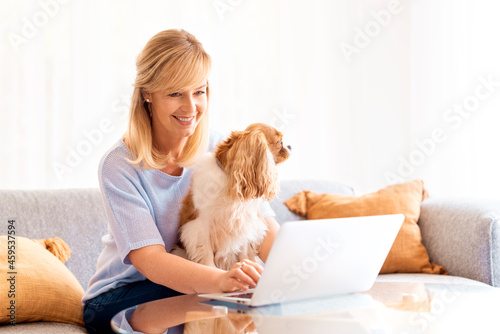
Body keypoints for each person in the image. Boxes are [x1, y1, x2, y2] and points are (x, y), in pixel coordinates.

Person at [81, 29, 280, 334]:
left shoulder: (221, 149)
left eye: (198, 91)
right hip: (123, 297)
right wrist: (219, 281)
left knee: (261, 290)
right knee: (223, 292)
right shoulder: (119, 166)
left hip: (201, 285)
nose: (190, 107)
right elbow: (152, 261)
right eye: (175, 93)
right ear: (148, 93)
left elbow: (262, 227)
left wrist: (296, 272)